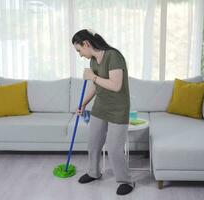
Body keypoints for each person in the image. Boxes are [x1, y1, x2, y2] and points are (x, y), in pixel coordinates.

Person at [72, 29, 134, 196]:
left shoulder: (113, 56)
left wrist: (93, 77)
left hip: (118, 109)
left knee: (114, 148)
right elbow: (96, 86)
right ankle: (94, 172)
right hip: (100, 108)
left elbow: (116, 85)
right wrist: (83, 104)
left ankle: (125, 180)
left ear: (86, 44)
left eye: (79, 50)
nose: (80, 55)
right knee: (93, 144)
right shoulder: (93, 61)